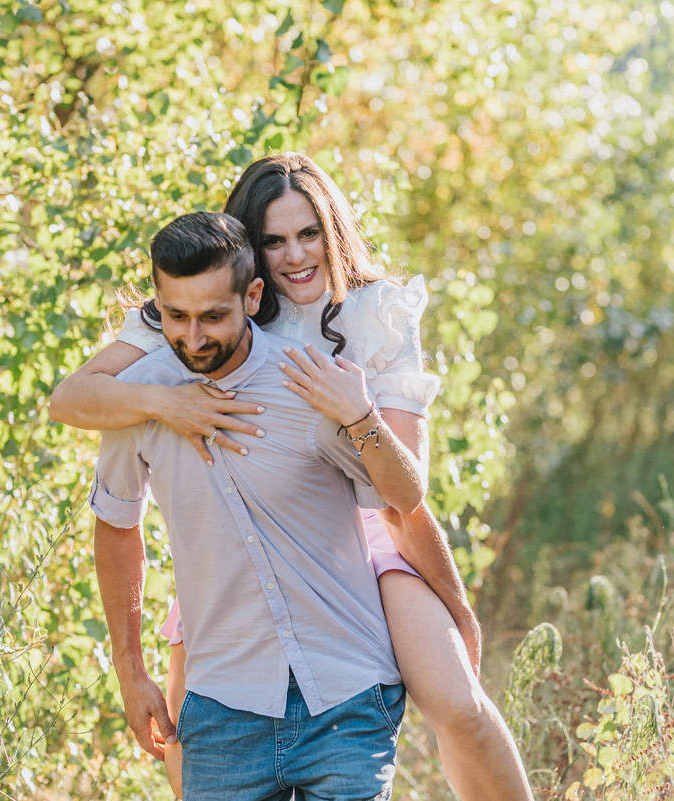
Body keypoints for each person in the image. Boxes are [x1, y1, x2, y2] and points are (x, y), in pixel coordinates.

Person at [51, 153, 533, 800]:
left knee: (460, 704)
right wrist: (169, 404)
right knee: (188, 751)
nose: (296, 256)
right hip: (234, 541)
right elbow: (71, 399)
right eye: (274, 240)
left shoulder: (374, 314)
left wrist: (456, 602)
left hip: (370, 528)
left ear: (333, 232)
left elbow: (403, 497)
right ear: (251, 253)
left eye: (310, 233)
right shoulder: (202, 309)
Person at [90, 210, 417, 799]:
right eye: (176, 316)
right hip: (222, 709)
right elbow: (116, 527)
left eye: (213, 316)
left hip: (345, 696)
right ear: (158, 305)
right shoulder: (135, 401)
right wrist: (130, 670)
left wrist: (361, 414)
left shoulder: (308, 382)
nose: (194, 338)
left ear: (253, 296)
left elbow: (403, 498)